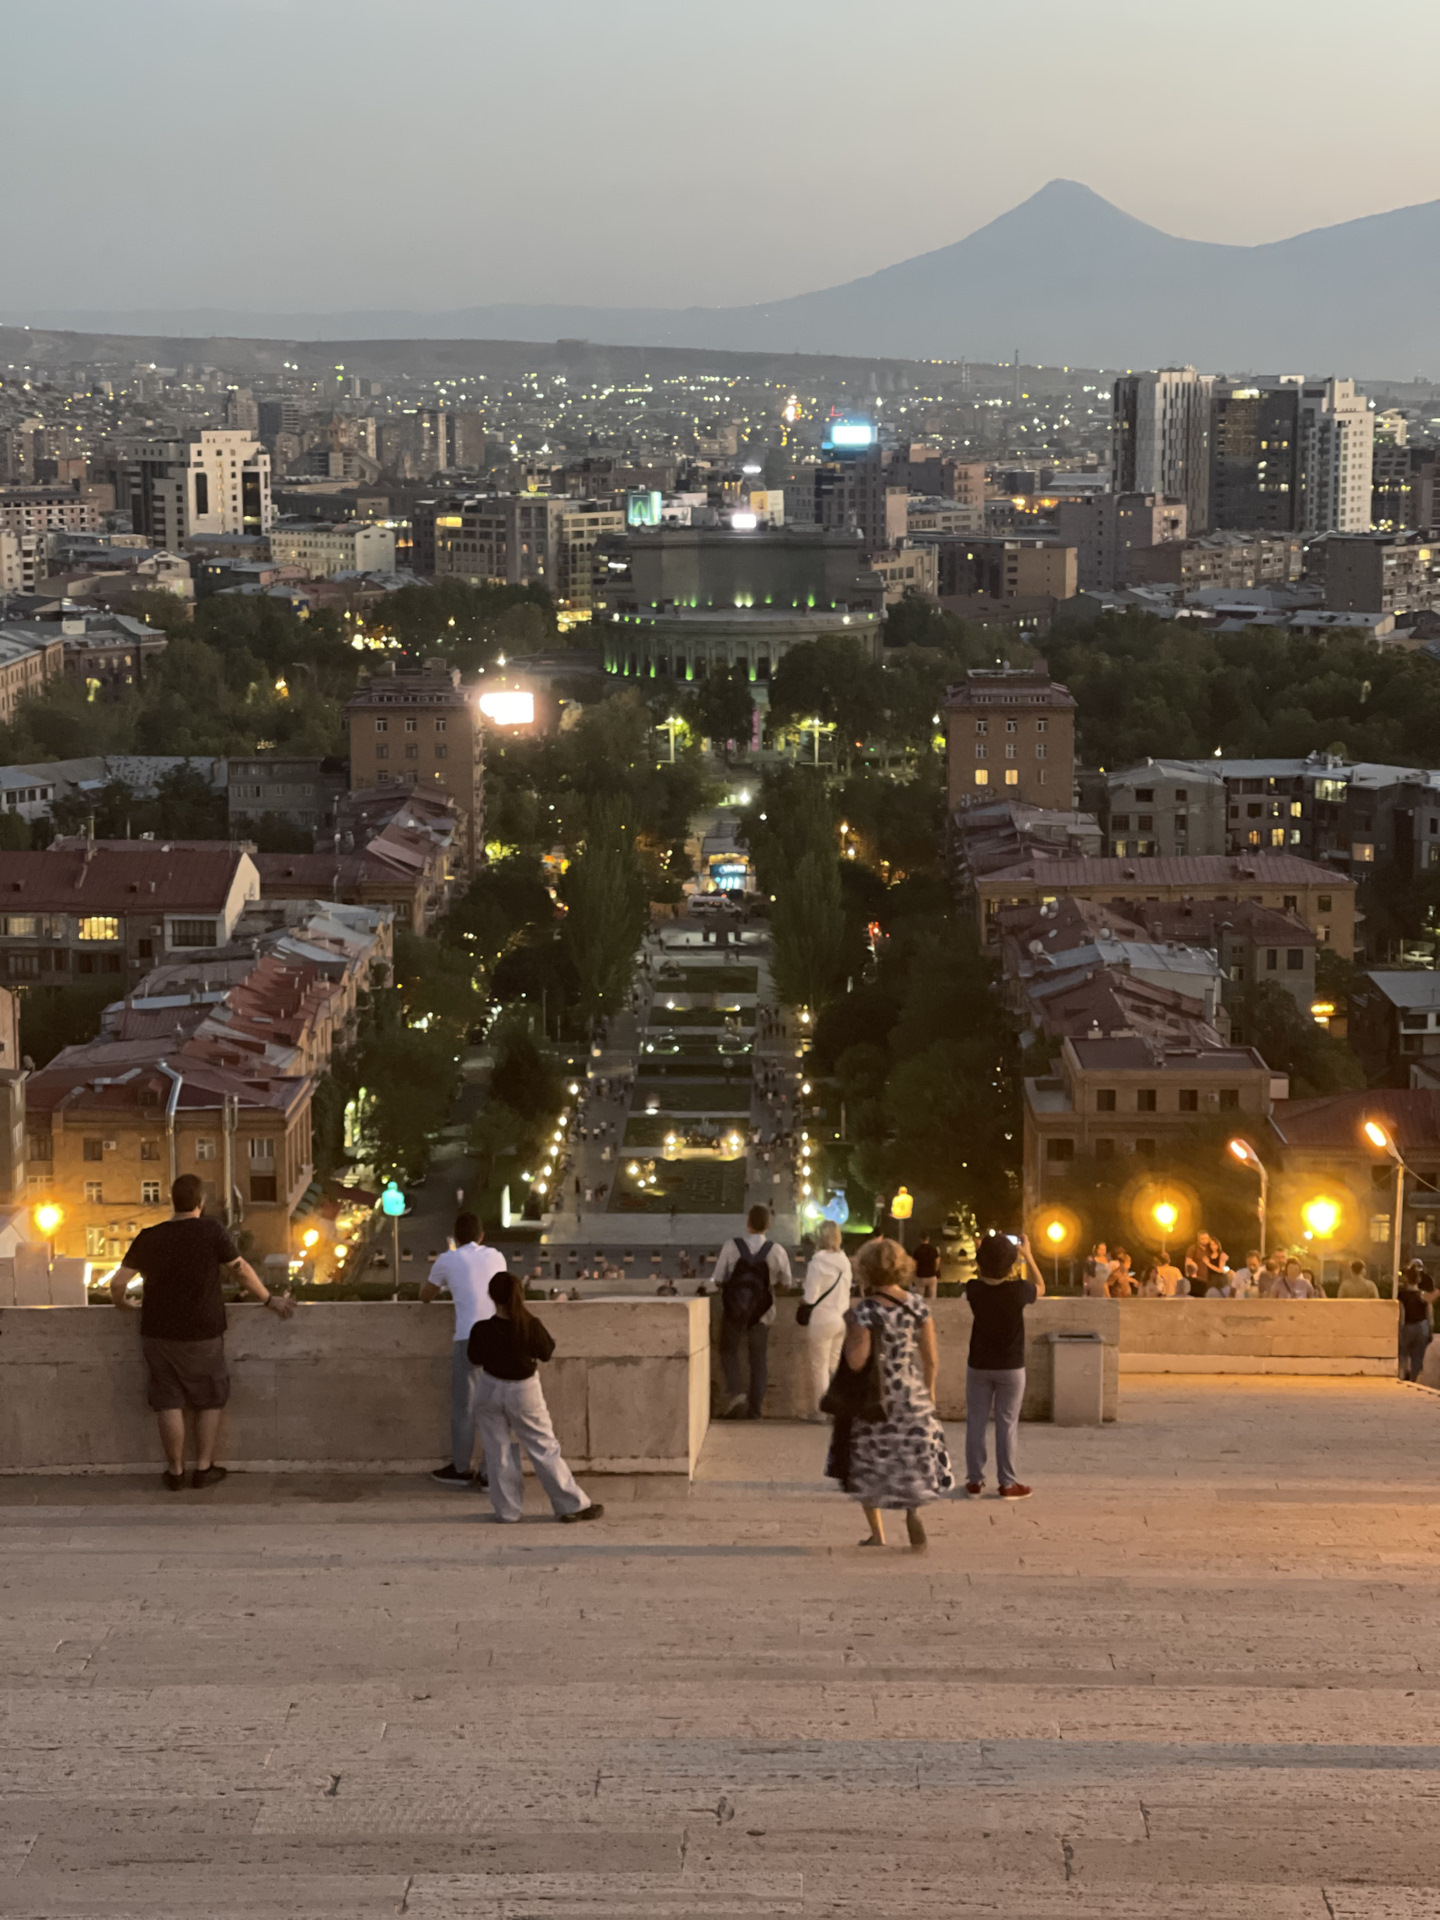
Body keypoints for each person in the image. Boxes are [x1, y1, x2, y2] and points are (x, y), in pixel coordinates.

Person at [108, 1172, 296, 1490]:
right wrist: (268, 1299)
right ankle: (204, 1468)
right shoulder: (211, 1231)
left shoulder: (149, 1236)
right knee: (209, 1398)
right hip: (203, 1331)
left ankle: (176, 1472)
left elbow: (117, 1283)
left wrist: (124, 1304)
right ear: (201, 1202)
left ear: (172, 1201)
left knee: (168, 1400)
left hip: (158, 1332)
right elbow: (241, 1270)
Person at [827, 1235, 952, 1550]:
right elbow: (931, 1360)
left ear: (866, 1270)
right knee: (909, 1460)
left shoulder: (865, 1311)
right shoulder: (917, 1306)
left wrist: (851, 1333)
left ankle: (877, 1533)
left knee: (867, 1464)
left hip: (877, 1399)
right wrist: (930, 1392)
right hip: (911, 1394)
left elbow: (857, 1362)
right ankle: (912, 1511)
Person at [468, 1273, 601, 1524]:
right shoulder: (529, 1325)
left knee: (498, 1452)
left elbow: (474, 1358)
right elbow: (547, 1352)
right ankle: (570, 1504)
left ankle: (507, 1511)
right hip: (523, 1391)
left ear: (492, 1296)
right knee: (544, 1448)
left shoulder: (482, 1329)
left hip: (489, 1389)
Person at [419, 1213, 505, 1487]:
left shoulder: (448, 1260)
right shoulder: (497, 1256)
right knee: (494, 1406)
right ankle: (490, 1472)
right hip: (497, 1336)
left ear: (455, 1237)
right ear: (481, 1235)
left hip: (468, 1337)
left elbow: (425, 1296)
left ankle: (460, 1468)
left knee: (464, 1407)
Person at [963, 1230, 1045, 1500]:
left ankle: (974, 1480)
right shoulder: (1018, 1290)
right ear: (1010, 1262)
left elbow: (980, 1276)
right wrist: (1028, 1256)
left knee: (976, 1421)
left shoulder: (973, 1289)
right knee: (1006, 1423)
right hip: (1010, 1365)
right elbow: (1041, 1288)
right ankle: (1007, 1483)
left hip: (979, 1364)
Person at [710, 1203, 791, 1419]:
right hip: (763, 1314)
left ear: (748, 1223)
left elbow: (718, 1280)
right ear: (768, 1225)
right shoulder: (777, 1250)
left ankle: (736, 1391)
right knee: (758, 1360)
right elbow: (787, 1283)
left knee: (728, 1351)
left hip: (734, 1313)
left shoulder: (731, 1246)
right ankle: (755, 1410)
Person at [800, 1220, 852, 1421]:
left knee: (819, 1366)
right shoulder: (845, 1262)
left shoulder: (817, 1262)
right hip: (842, 1318)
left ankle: (821, 1411)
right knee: (834, 1365)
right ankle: (837, 1408)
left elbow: (810, 1297)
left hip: (822, 1318)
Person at [1398, 1263, 1438, 1381]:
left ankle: (1404, 1373)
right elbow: (1430, 1316)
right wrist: (1430, 1331)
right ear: (1419, 1279)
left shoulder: (1402, 1295)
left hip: (1407, 1327)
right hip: (1422, 1327)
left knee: (1403, 1353)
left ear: (1406, 1279)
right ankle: (1413, 1379)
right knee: (1417, 1357)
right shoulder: (1424, 1295)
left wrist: (1400, 1331)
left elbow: (1402, 1315)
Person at [911, 1232, 941, 1301]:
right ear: (928, 1238)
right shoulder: (933, 1250)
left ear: (920, 1239)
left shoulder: (917, 1251)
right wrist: (935, 1271)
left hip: (920, 1277)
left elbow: (914, 1265)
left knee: (919, 1298)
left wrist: (914, 1276)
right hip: (931, 1276)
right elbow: (937, 1262)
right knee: (932, 1298)